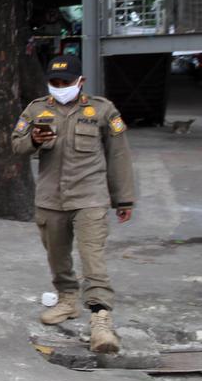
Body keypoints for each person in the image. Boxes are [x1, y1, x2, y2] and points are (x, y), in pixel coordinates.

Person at [12, 54, 135, 353]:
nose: (59, 87)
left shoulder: (103, 110)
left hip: (90, 197)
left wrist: (123, 198)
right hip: (50, 198)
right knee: (57, 256)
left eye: (65, 82)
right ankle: (67, 299)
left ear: (81, 82)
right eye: (54, 82)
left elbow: (118, 155)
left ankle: (101, 319)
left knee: (92, 257)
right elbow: (16, 145)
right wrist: (36, 141)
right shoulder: (36, 109)